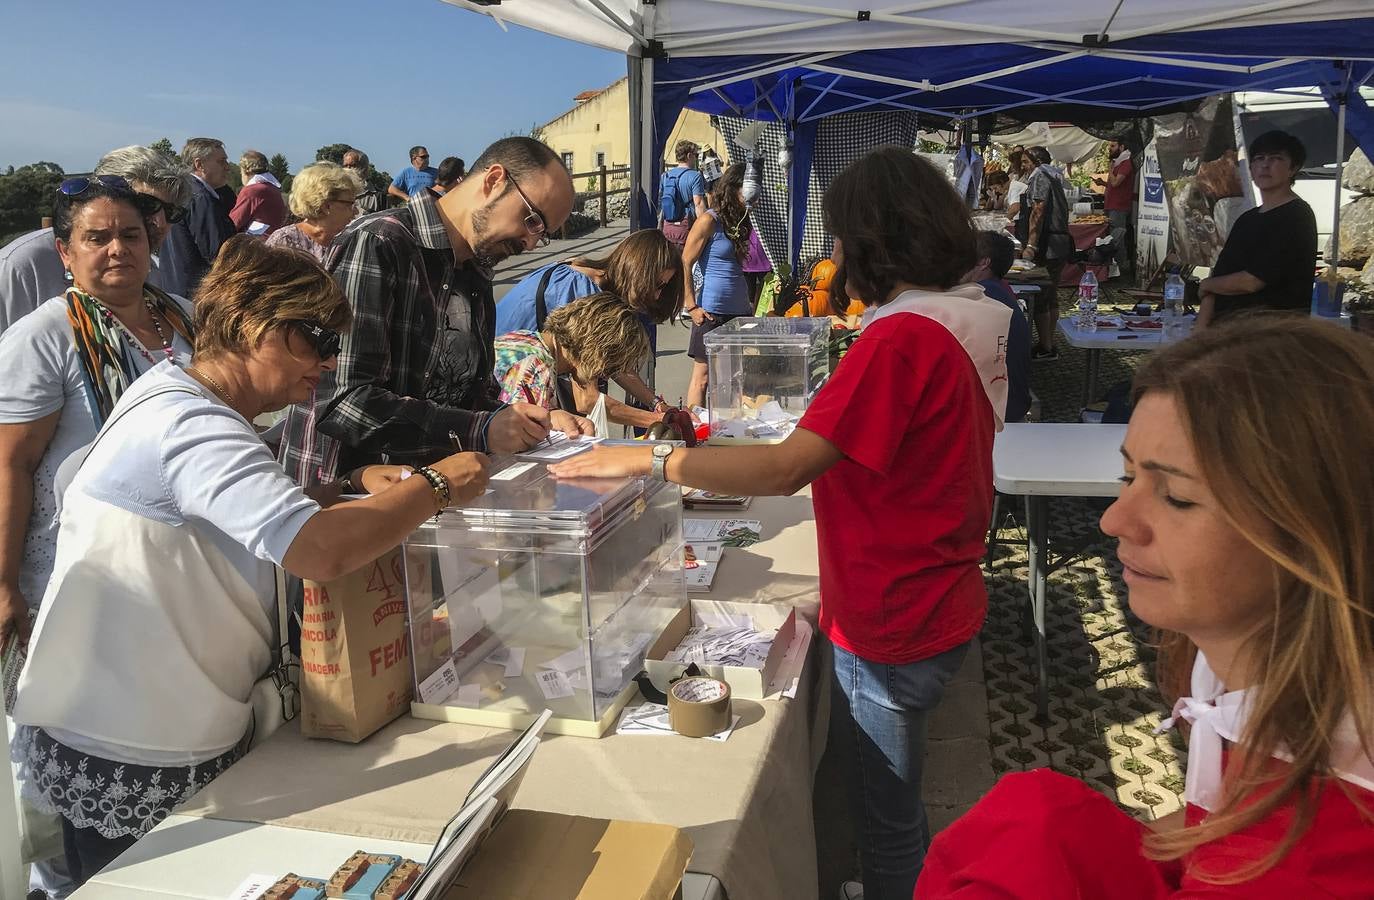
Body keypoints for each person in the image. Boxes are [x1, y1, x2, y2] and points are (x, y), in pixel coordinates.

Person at [548, 147, 1013, 900]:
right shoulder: (965, 318)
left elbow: (780, 468)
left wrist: (647, 464)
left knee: (885, 809)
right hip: (937, 591)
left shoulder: (900, 337)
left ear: (867, 241)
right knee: (892, 793)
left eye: (836, 238)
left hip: (895, 609)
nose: (831, 254)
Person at [10, 236, 490, 887]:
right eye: (315, 338)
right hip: (137, 742)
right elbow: (322, 551)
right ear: (250, 325)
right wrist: (436, 486)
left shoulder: (177, 390)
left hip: (133, 718)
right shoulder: (193, 427)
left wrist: (347, 487)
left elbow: (227, 513)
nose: (328, 360)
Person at [916, 317, 1374, 898]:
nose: (1113, 520)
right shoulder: (1252, 672)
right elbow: (1208, 822)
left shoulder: (1318, 858)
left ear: (1322, 533)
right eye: (1126, 475)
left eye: (1178, 497)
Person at [0, 176, 196, 899]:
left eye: (132, 235)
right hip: (76, 579)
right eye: (97, 237)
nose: (118, 249)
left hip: (166, 578)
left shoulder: (180, 318)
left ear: (152, 242)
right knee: (79, 737)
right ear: (64, 251)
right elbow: (11, 464)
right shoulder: (45, 336)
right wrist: (1, 584)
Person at [279, 137, 587, 489]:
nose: (530, 243)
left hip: (423, 499)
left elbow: (468, 396)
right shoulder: (379, 242)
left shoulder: (475, 271)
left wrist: (525, 421)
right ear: (493, 180)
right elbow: (343, 401)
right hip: (345, 502)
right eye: (532, 221)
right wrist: (481, 430)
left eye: (542, 234)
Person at [0, 145, 193, 334]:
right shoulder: (24, 264)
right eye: (146, 204)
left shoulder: (152, 273)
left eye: (171, 212)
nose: (159, 221)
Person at [494, 229, 683, 417]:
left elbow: (615, 365)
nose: (657, 295)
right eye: (658, 284)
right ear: (639, 270)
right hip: (500, 384)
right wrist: (657, 419)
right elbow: (587, 400)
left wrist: (657, 404)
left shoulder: (584, 274)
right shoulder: (581, 291)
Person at [1197, 131, 1317, 327]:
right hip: (1228, 333)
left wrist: (1206, 285)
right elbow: (1217, 284)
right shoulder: (1247, 219)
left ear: (1293, 168)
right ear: (1251, 168)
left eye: (1276, 158)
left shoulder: (1297, 216)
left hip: (1274, 335)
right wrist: (1198, 336)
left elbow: (1251, 281)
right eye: (1259, 158)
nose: (1265, 165)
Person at [494, 292, 656, 430]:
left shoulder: (528, 339)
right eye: (607, 367)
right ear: (596, 349)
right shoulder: (536, 366)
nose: (604, 377)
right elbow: (526, 437)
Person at [682, 163, 754, 409]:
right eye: (747, 189)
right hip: (711, 311)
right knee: (702, 378)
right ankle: (693, 435)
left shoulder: (741, 222)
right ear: (733, 189)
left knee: (734, 378)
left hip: (739, 311)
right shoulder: (708, 221)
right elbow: (686, 261)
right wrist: (691, 306)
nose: (753, 195)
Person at [967, 230, 1032, 423]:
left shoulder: (980, 297)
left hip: (998, 413)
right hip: (1010, 404)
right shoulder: (1001, 289)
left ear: (983, 262)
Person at [161, 137, 236, 297]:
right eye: (221, 162)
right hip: (196, 296)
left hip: (174, 290)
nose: (227, 167)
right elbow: (219, 255)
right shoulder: (200, 199)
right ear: (199, 165)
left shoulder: (180, 192)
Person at [1019, 146, 1072, 360]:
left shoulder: (1041, 175)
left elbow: (1038, 210)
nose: (1022, 166)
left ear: (1036, 160)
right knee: (1050, 295)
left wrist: (1031, 244)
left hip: (1048, 243)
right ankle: (1048, 344)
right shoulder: (1054, 175)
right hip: (1058, 242)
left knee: (1041, 295)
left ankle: (1045, 347)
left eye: (1025, 161)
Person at [265, 162, 364, 265]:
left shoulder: (353, 241)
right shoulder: (285, 241)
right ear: (326, 206)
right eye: (350, 204)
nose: (355, 211)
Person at [1093, 136, 1135, 279]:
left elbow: (1116, 182)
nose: (1109, 149)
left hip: (1119, 206)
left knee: (1117, 237)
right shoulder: (1119, 163)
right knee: (1110, 237)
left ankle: (1121, 270)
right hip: (1111, 204)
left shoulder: (1126, 163)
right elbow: (1114, 185)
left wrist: (1110, 170)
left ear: (1121, 147)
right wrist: (1103, 184)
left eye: (1112, 146)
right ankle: (1112, 268)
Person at [659, 140, 708, 251]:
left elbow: (660, 204)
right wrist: (706, 228)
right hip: (687, 229)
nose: (696, 158)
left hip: (668, 228)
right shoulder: (695, 176)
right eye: (696, 155)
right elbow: (699, 204)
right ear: (689, 155)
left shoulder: (665, 176)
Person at [229, 150, 288, 236]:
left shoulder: (252, 191)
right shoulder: (273, 188)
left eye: (241, 172)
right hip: (273, 239)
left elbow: (234, 222)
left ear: (246, 171)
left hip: (257, 243)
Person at [342, 149, 385, 215]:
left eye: (353, 166)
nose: (348, 169)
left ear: (364, 169)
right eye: (345, 166)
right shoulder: (335, 193)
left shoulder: (379, 196)